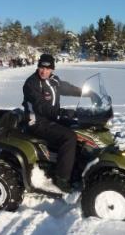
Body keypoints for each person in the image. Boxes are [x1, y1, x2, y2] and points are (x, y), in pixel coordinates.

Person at [22, 53, 82, 192]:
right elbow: (40, 106)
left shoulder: (54, 80)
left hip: (52, 118)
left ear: (52, 70)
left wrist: (86, 92)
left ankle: (74, 165)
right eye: (41, 68)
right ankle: (61, 178)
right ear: (38, 67)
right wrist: (61, 113)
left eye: (48, 69)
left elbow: (67, 88)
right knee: (69, 137)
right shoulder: (31, 83)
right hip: (37, 122)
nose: (44, 71)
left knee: (79, 128)